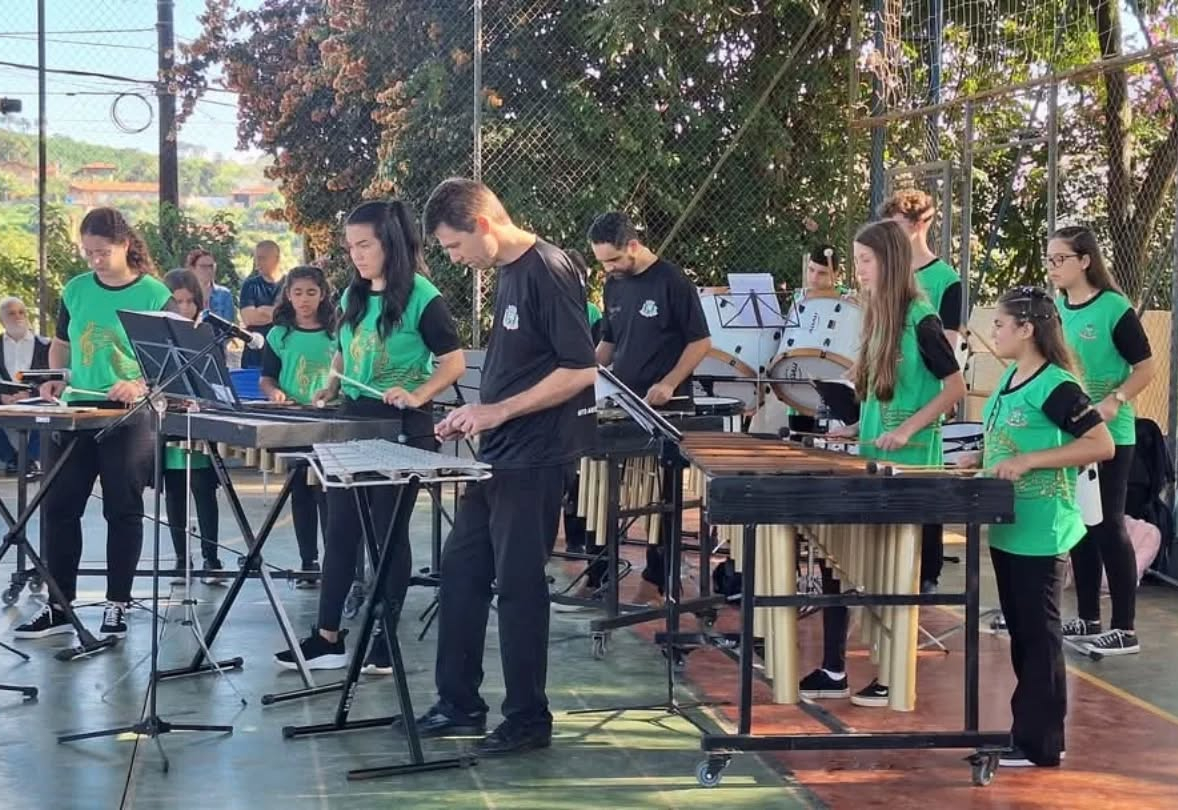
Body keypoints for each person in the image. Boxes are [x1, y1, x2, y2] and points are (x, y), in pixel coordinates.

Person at [416, 178, 596, 755]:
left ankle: (527, 720)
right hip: (499, 454)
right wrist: (473, 415)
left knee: (519, 589)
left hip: (538, 456)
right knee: (461, 573)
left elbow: (580, 369)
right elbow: (518, 366)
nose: (454, 259)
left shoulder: (548, 268)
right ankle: (460, 702)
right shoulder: (507, 273)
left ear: (484, 224)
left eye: (453, 246)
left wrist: (498, 410)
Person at [273, 201, 464, 676]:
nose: (356, 255)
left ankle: (383, 636)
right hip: (351, 422)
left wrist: (417, 393)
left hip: (401, 427)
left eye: (365, 245)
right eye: (351, 246)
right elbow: (342, 352)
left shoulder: (423, 296)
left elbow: (453, 363)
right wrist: (332, 384)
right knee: (340, 531)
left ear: (390, 243)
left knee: (386, 536)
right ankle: (327, 637)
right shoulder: (353, 296)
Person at [798, 219, 964, 706]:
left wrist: (907, 429)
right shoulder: (876, 316)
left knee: (893, 573)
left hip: (909, 465)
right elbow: (872, 393)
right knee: (837, 561)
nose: (859, 270)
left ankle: (893, 671)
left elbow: (953, 388)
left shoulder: (922, 318)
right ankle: (833, 668)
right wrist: (854, 426)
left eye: (865, 261)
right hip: (871, 457)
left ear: (890, 261)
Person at [12, 207, 172, 640]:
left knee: (123, 509)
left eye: (101, 252)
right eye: (88, 253)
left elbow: (169, 363)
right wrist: (56, 378)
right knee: (60, 508)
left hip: (127, 416)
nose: (95, 260)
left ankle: (116, 605)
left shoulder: (155, 294)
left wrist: (138, 384)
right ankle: (59, 605)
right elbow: (61, 345)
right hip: (77, 411)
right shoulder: (77, 289)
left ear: (124, 245)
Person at [973, 286, 1114, 767]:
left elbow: (1100, 444)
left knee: (1039, 635)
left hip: (1044, 527)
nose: (993, 330)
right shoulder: (1011, 376)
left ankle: (1042, 742)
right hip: (1009, 525)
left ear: (1027, 329)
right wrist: (977, 458)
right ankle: (1027, 731)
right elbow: (1003, 439)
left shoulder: (1057, 385)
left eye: (999, 323)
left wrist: (1032, 460)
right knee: (1023, 633)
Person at [583, 211, 711, 605]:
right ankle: (598, 571)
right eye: (603, 261)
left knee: (663, 499)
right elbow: (609, 341)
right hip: (622, 402)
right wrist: (585, 372)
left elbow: (700, 342)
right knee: (599, 487)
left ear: (634, 246)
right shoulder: (614, 285)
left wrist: (670, 382)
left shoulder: (673, 282)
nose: (609, 268)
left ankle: (659, 577)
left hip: (665, 409)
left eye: (614, 260)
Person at [1049, 225, 1155, 656]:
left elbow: (1145, 367)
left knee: (1108, 523)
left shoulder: (1114, 308)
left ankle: (1125, 628)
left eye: (1061, 260)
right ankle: (1089, 617)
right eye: (1050, 260)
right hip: (1073, 433)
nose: (1053, 268)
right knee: (1080, 526)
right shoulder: (1059, 307)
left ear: (1085, 261)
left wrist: (1115, 399)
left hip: (1112, 435)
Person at [879, 189, 965, 593]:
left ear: (919, 225)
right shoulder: (881, 275)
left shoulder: (945, 280)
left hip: (922, 398)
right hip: (884, 400)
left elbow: (946, 345)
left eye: (896, 225)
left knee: (923, 488)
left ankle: (926, 572)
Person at [258, 265, 338, 588]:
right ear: (288, 296)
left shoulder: (337, 333)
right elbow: (266, 378)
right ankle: (309, 561)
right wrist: (274, 392)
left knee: (328, 495)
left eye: (311, 292)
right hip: (294, 422)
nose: (304, 300)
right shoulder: (279, 335)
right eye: (297, 293)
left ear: (323, 295)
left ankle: (335, 560)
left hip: (330, 420)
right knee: (301, 492)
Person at [161, 268, 225, 585]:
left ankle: (210, 559)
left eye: (189, 302)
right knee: (175, 493)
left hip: (199, 422)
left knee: (203, 490)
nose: (184, 308)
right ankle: (180, 560)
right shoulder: (155, 336)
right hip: (170, 422)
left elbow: (217, 380)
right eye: (177, 302)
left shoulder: (208, 332)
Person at [785, 244, 852, 435]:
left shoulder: (848, 298)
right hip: (801, 381)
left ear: (836, 273)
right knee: (799, 442)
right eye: (811, 270)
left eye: (822, 273)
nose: (814, 278)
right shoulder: (799, 297)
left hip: (835, 383)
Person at [0, 296, 49, 475]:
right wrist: (2, 396)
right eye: (11, 313)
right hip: (4, 400)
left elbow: (52, 378)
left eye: (21, 312)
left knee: (48, 411)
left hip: (37, 398)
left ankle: (29, 459)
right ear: (2, 320)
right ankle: (11, 459)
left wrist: (31, 395)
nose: (18, 316)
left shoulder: (45, 345)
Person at [238, 240, 286, 368]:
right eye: (256, 258)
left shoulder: (290, 285)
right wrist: (277, 312)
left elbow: (290, 317)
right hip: (254, 355)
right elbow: (249, 319)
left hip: (282, 354)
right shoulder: (250, 285)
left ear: (276, 259)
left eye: (262, 258)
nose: (258, 263)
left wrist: (262, 310)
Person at [185, 248, 236, 324]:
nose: (209, 270)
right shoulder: (184, 294)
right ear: (192, 268)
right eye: (203, 266)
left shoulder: (224, 294)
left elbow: (229, 325)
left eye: (211, 266)